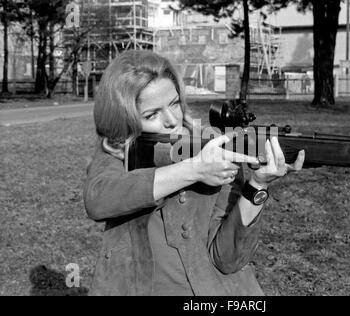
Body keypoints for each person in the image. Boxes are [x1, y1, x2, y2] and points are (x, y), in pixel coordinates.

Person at [83, 50, 305, 296]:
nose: (171, 120)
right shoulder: (116, 153)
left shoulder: (213, 148)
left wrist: (258, 185)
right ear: (123, 119)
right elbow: (98, 199)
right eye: (151, 114)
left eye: (174, 103)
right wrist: (194, 170)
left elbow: (227, 259)